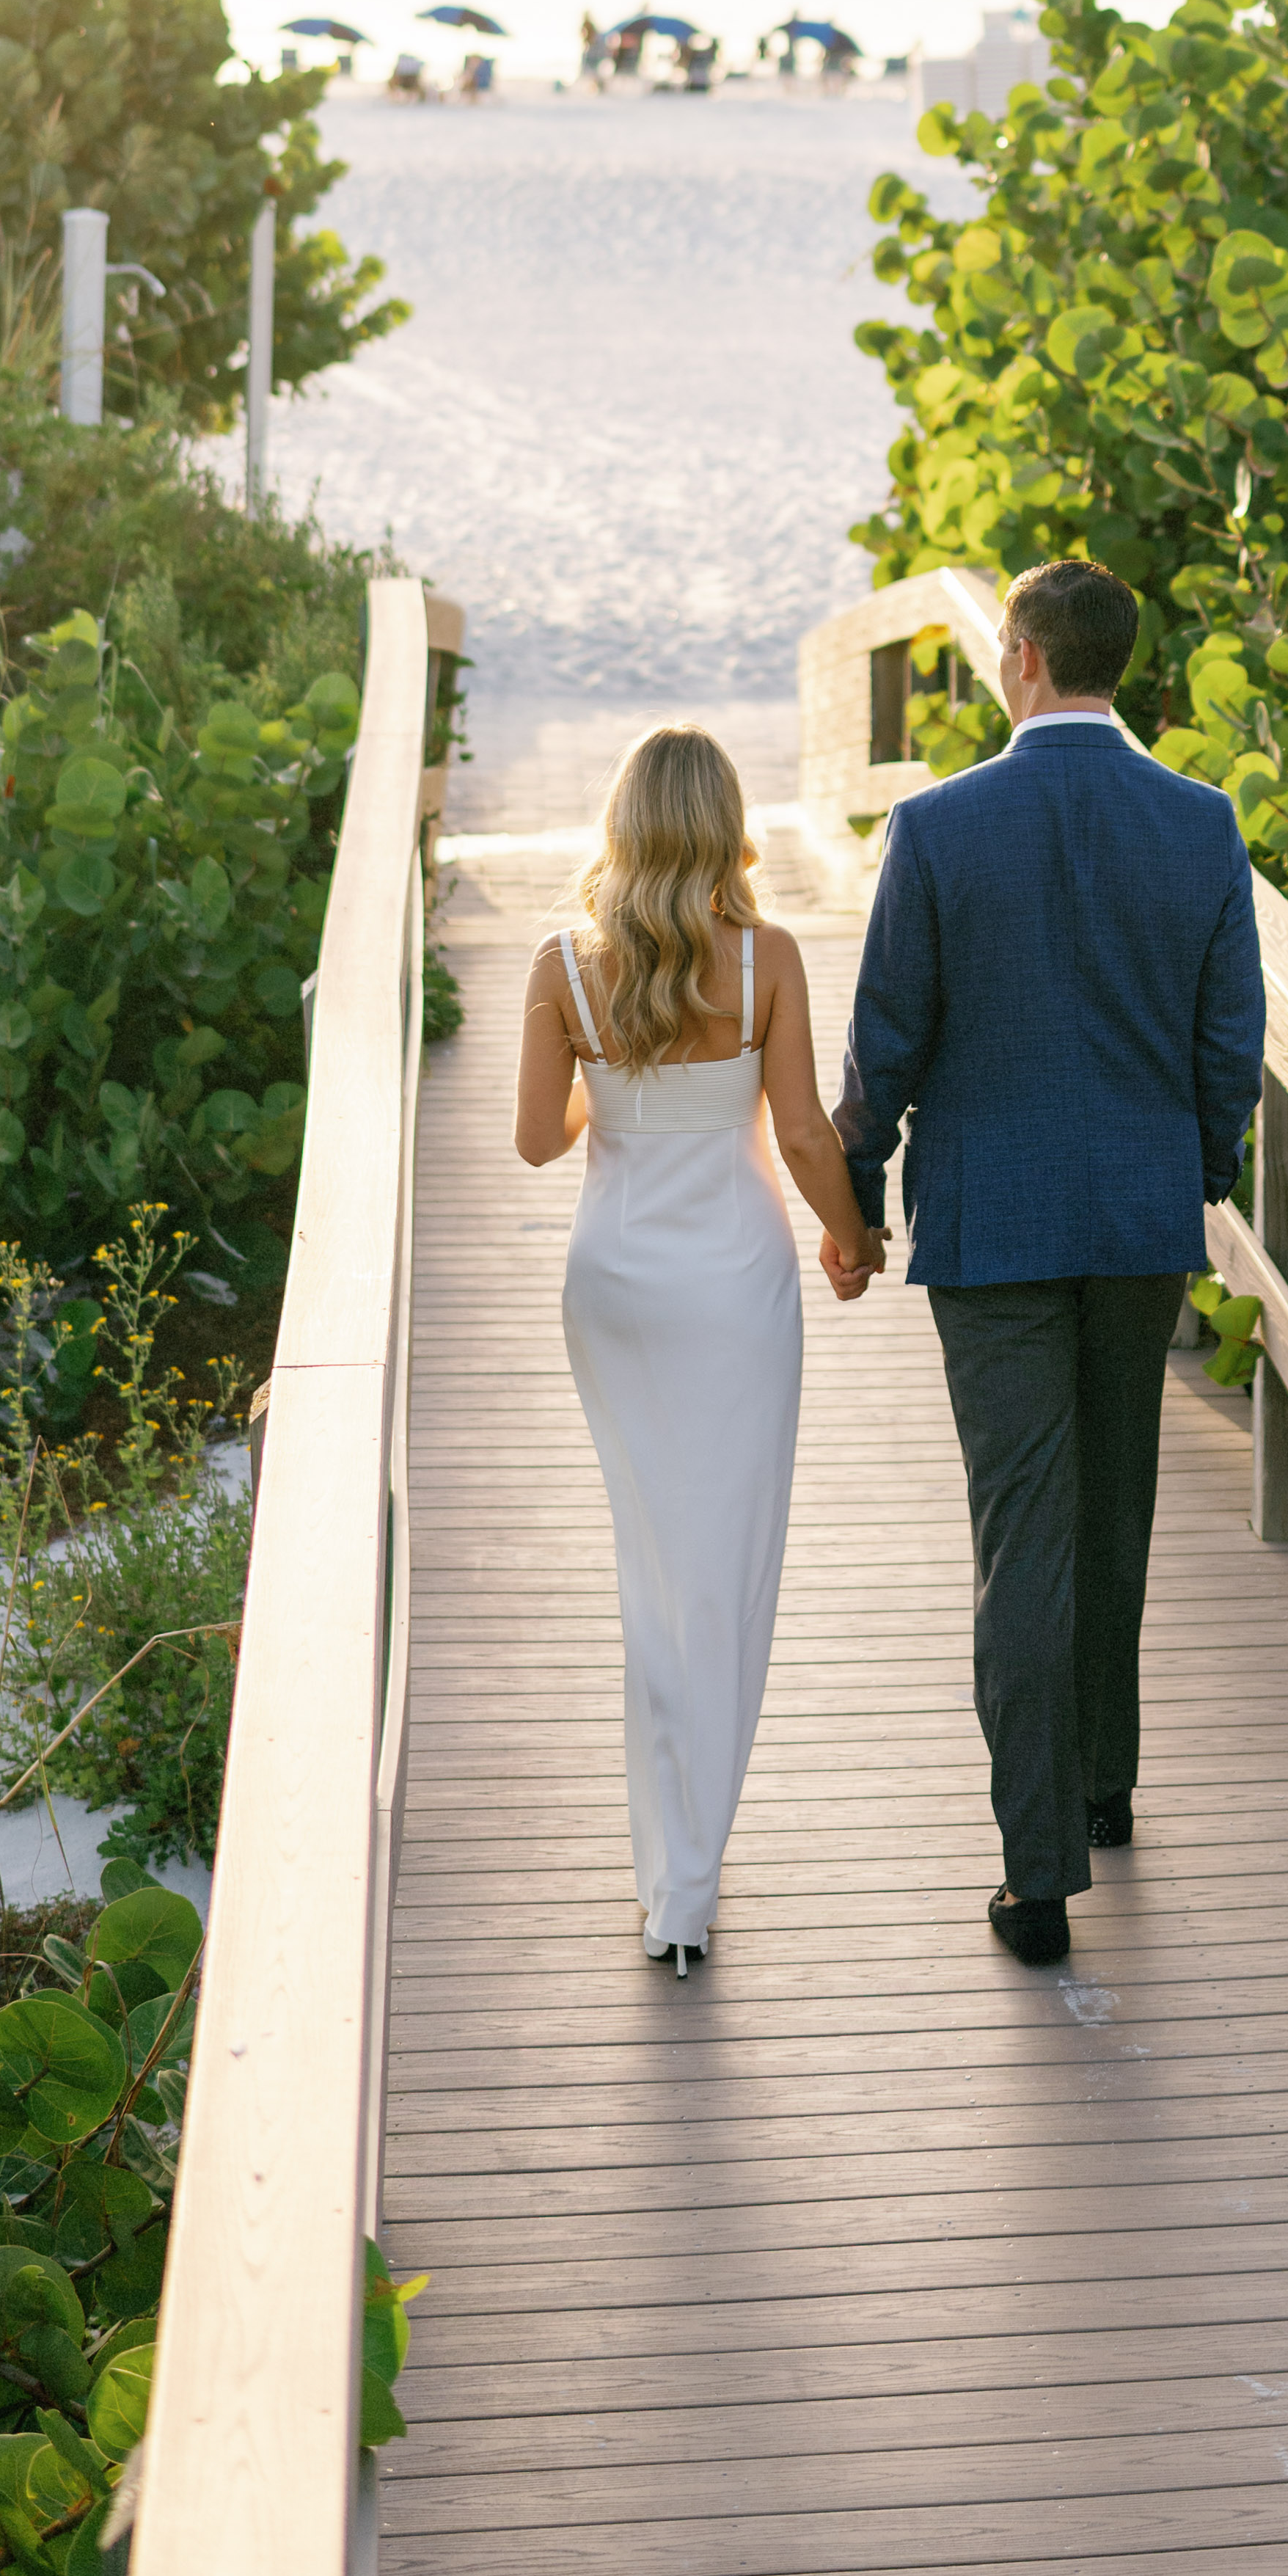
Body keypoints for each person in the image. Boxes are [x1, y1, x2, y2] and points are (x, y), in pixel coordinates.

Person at [838, 558, 1265, 1968]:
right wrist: (1189, 1178)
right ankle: (1103, 1785)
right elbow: (1228, 1046)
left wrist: (854, 1183)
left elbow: (887, 1037)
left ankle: (1039, 1874)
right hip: (1138, 1221)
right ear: (1118, 666)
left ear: (1016, 657)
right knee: (1114, 1504)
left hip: (995, 1228)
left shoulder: (939, 826)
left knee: (1022, 1530)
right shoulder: (1200, 826)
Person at [516, 727, 877, 1974]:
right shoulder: (765, 957)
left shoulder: (562, 965)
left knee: (650, 1567)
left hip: (612, 1286)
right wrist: (854, 1240)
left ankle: (665, 1877)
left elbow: (534, 1142)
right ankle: (686, 1884)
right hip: (729, 1283)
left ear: (618, 825)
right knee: (726, 1571)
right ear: (727, 821)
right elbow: (802, 1136)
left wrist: (607, 1076)